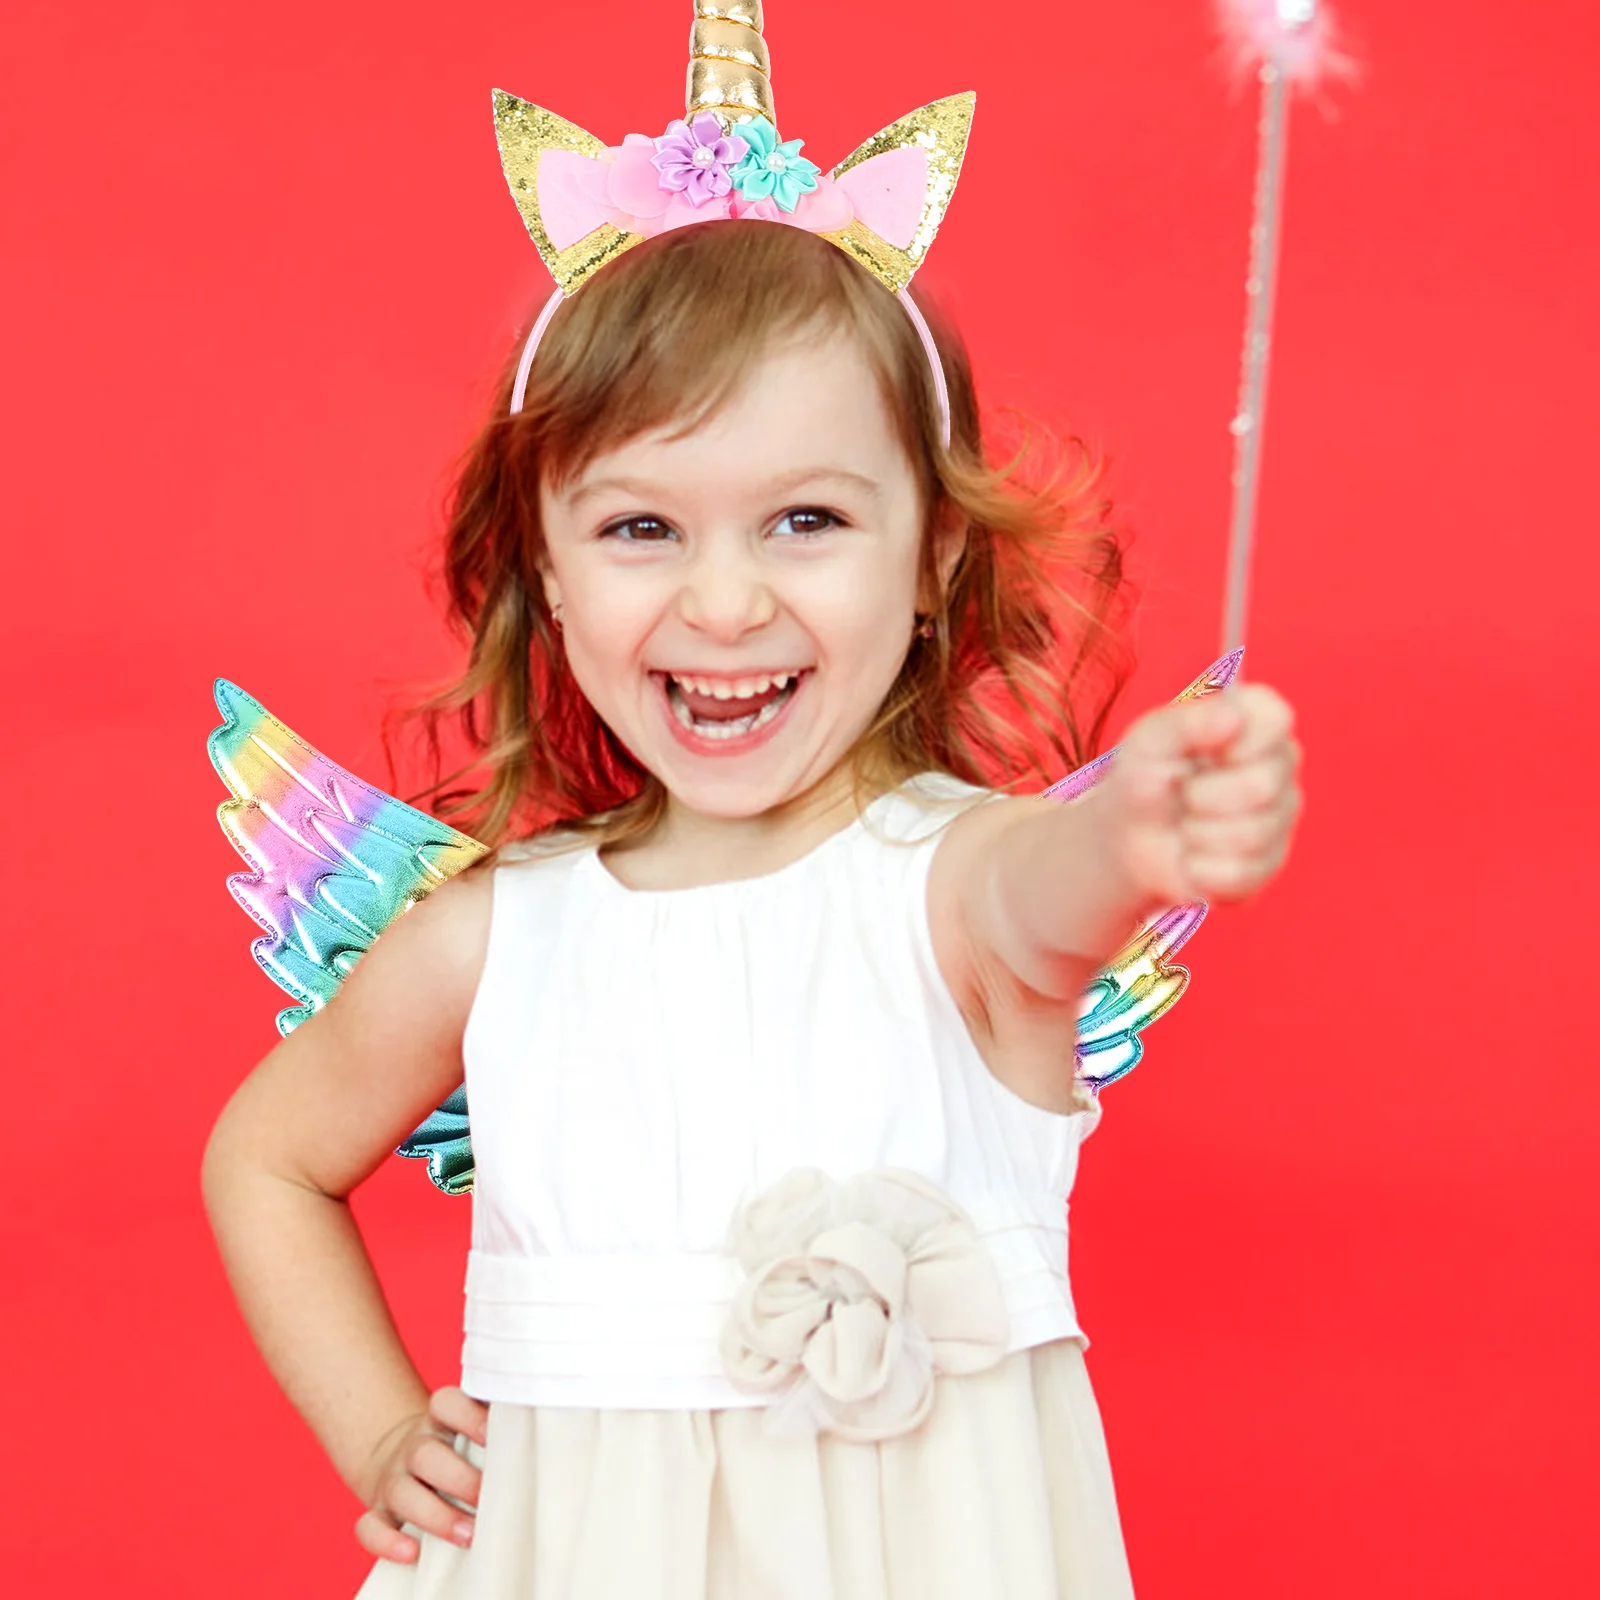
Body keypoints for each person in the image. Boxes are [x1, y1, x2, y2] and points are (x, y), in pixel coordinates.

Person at [202, 16, 1301, 1599]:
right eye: (643, 525)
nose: (726, 603)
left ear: (929, 560)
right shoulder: (499, 938)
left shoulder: (954, 893)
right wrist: (383, 1435)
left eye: (806, 519)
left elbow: (1048, 887)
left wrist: (1138, 823)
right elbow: (266, 1159)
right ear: (546, 578)